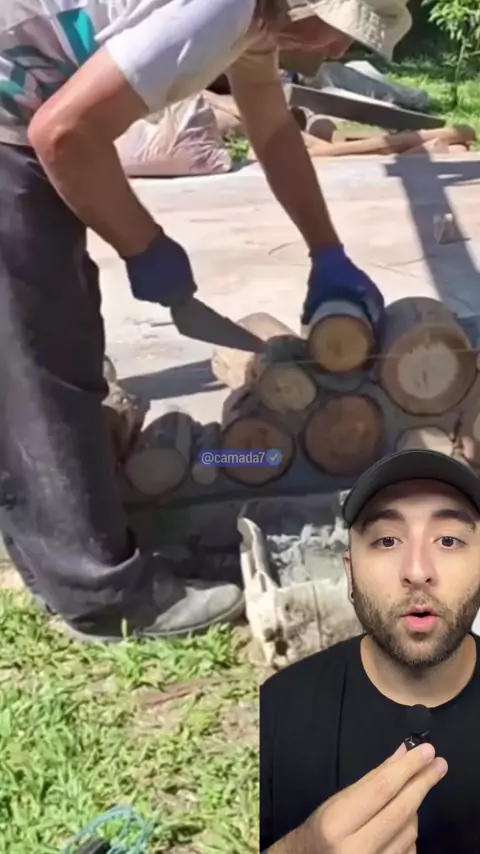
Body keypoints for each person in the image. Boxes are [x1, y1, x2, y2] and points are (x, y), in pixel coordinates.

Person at [0, 0, 412, 642]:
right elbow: (63, 134)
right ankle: (105, 597)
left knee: (55, 337)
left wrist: (326, 250)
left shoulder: (258, 23)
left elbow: (272, 129)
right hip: (16, 125)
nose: (339, 51)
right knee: (38, 366)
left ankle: (70, 553)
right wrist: (144, 244)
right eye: (340, 32)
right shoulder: (227, 7)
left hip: (21, 119)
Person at [260, 449, 480, 853]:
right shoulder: (276, 710)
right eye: (387, 540)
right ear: (350, 574)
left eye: (448, 540)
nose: (417, 571)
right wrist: (301, 847)